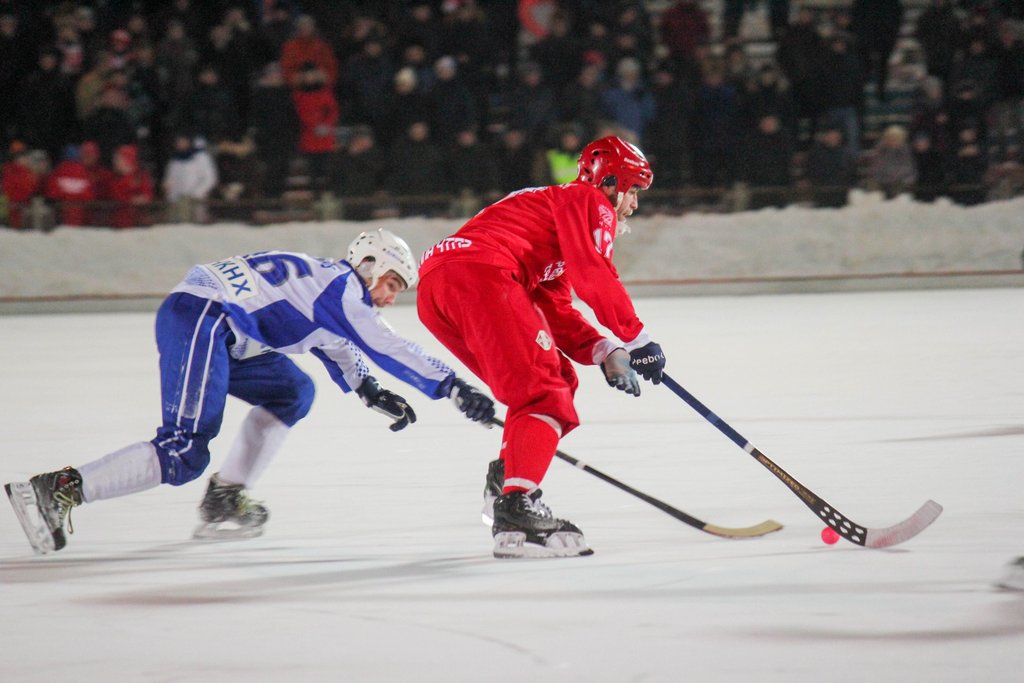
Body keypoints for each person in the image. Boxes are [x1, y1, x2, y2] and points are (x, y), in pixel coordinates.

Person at [5, 229, 495, 555]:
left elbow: (337, 343)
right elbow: (386, 343)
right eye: (391, 282)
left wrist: (368, 388)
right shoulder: (341, 289)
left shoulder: (327, 280)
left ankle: (225, 497)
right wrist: (453, 386)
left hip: (218, 324)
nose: (390, 296)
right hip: (206, 318)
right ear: (368, 262)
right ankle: (57, 489)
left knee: (293, 391)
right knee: (183, 451)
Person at [416, 136, 666, 559]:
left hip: (441, 288)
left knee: (553, 380)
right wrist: (637, 338)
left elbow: (553, 304)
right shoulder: (588, 201)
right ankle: (517, 506)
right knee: (543, 391)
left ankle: (508, 479)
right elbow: (594, 274)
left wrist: (604, 350)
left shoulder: (553, 209)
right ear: (610, 182)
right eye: (634, 191)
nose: (633, 206)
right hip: (481, 276)